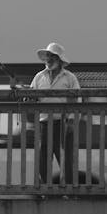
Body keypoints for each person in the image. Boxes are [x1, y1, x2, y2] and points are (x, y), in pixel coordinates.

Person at [30, 42, 80, 185]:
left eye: (52, 56)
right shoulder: (39, 77)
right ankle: (46, 189)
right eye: (47, 56)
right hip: (44, 123)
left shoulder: (70, 78)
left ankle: (68, 190)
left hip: (63, 123)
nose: (49, 59)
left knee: (65, 159)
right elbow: (32, 96)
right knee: (43, 158)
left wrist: (72, 120)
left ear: (59, 60)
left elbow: (77, 100)